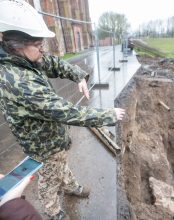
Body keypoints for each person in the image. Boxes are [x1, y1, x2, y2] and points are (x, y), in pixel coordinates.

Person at [0, 1, 125, 219]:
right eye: (38, 44)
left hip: (51, 139)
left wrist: (77, 75)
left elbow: (51, 63)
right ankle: (53, 211)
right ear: (17, 45)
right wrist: (108, 115)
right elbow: (66, 111)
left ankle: (70, 186)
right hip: (42, 145)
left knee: (60, 162)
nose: (43, 49)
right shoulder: (19, 81)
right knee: (49, 178)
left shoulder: (22, 58)